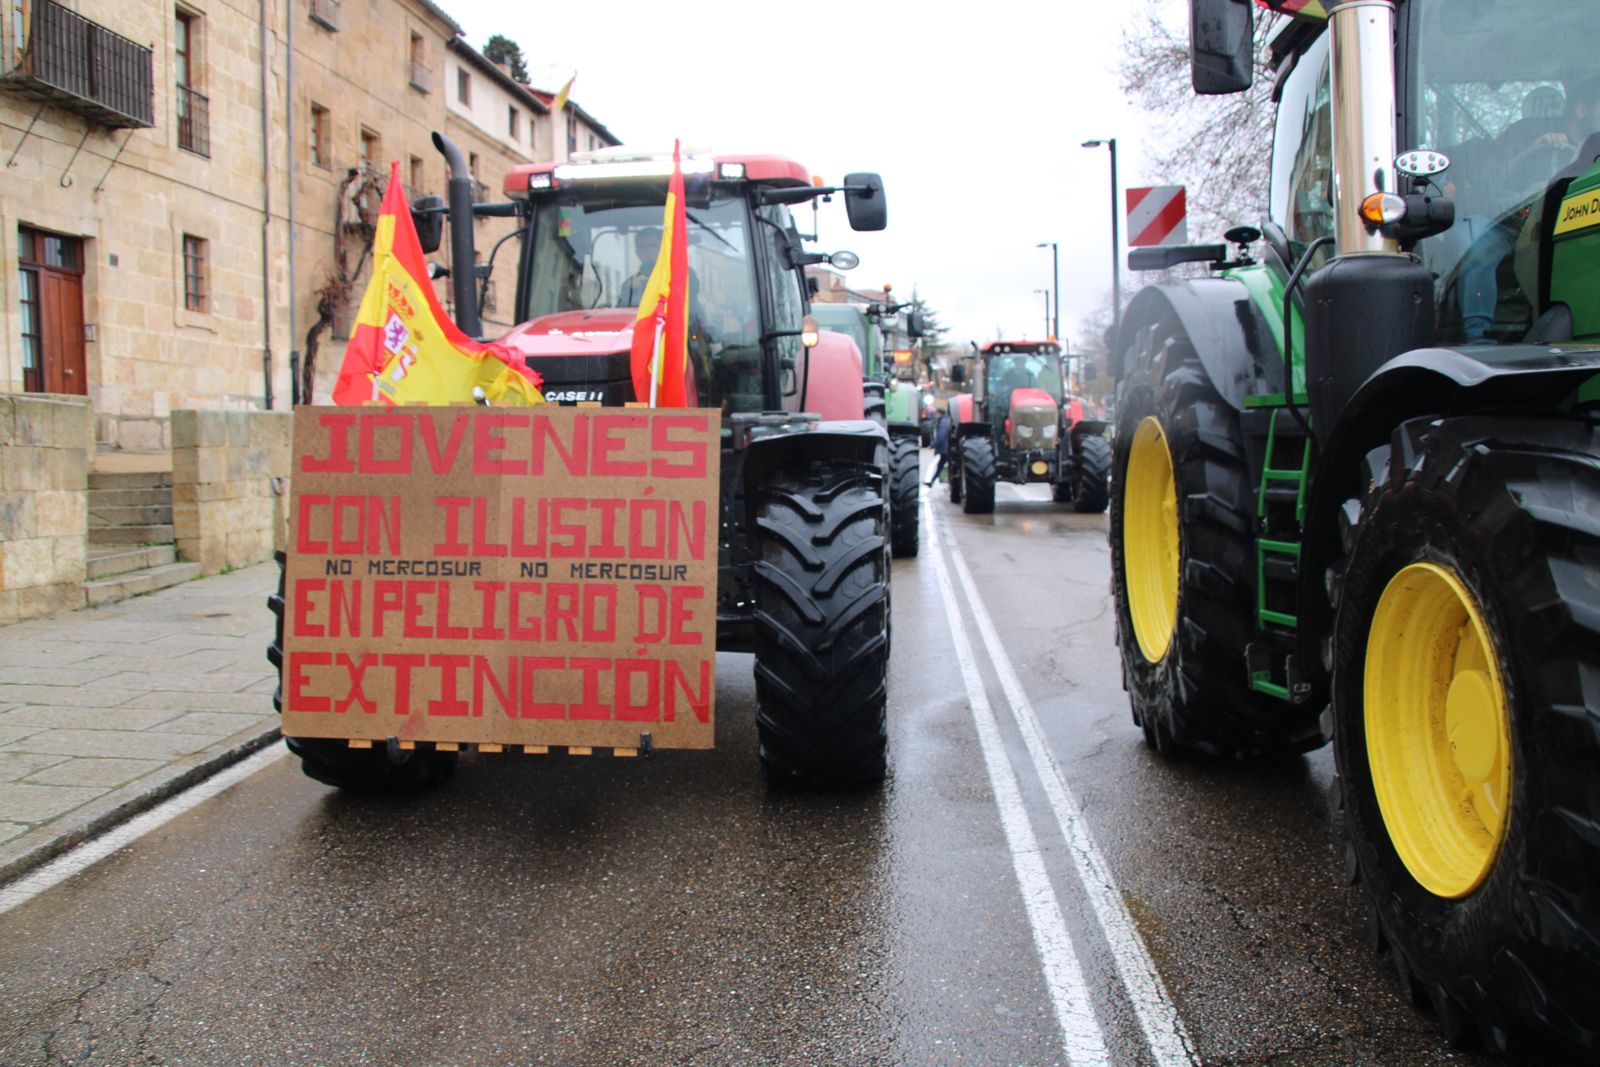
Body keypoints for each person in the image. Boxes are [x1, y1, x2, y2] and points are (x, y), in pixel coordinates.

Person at [927, 407, 951, 487]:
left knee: (941, 465)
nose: (935, 415)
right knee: (940, 465)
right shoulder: (945, 420)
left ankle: (932, 482)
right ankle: (931, 482)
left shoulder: (943, 422)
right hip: (945, 448)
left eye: (936, 413)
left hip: (945, 448)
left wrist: (933, 445)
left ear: (939, 413)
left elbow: (941, 435)